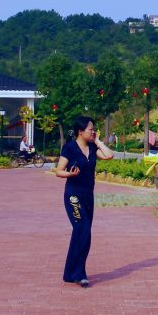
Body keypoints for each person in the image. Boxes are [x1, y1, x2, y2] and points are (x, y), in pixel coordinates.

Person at [55, 115, 113, 287]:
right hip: (73, 194)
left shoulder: (93, 148)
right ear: (81, 131)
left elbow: (109, 156)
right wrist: (70, 174)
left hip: (88, 195)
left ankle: (69, 272)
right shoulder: (70, 148)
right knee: (83, 229)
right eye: (90, 129)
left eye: (94, 129)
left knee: (83, 234)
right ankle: (80, 273)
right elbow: (59, 171)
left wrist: (99, 141)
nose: (93, 131)